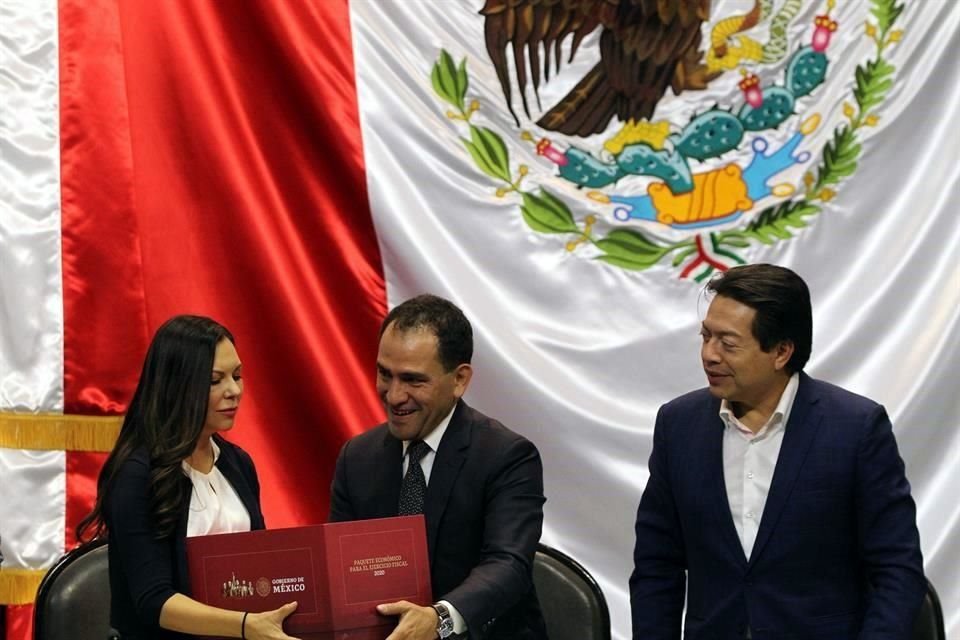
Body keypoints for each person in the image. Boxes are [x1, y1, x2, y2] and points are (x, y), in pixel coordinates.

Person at [629, 264, 926, 639]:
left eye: (728, 342)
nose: (709, 354)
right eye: (706, 337)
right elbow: (657, 566)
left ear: (782, 351)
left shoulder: (855, 428)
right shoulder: (678, 425)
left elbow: (896, 569)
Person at [330, 294, 548, 640]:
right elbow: (341, 571)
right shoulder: (357, 458)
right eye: (385, 374)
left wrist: (439, 619)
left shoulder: (507, 456)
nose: (394, 396)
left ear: (459, 380)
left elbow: (508, 565)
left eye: (414, 380)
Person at [77, 315, 299, 640]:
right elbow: (154, 601)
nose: (234, 391)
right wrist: (245, 626)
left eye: (237, 376)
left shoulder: (238, 463)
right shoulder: (137, 475)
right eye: (215, 380)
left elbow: (257, 567)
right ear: (177, 385)